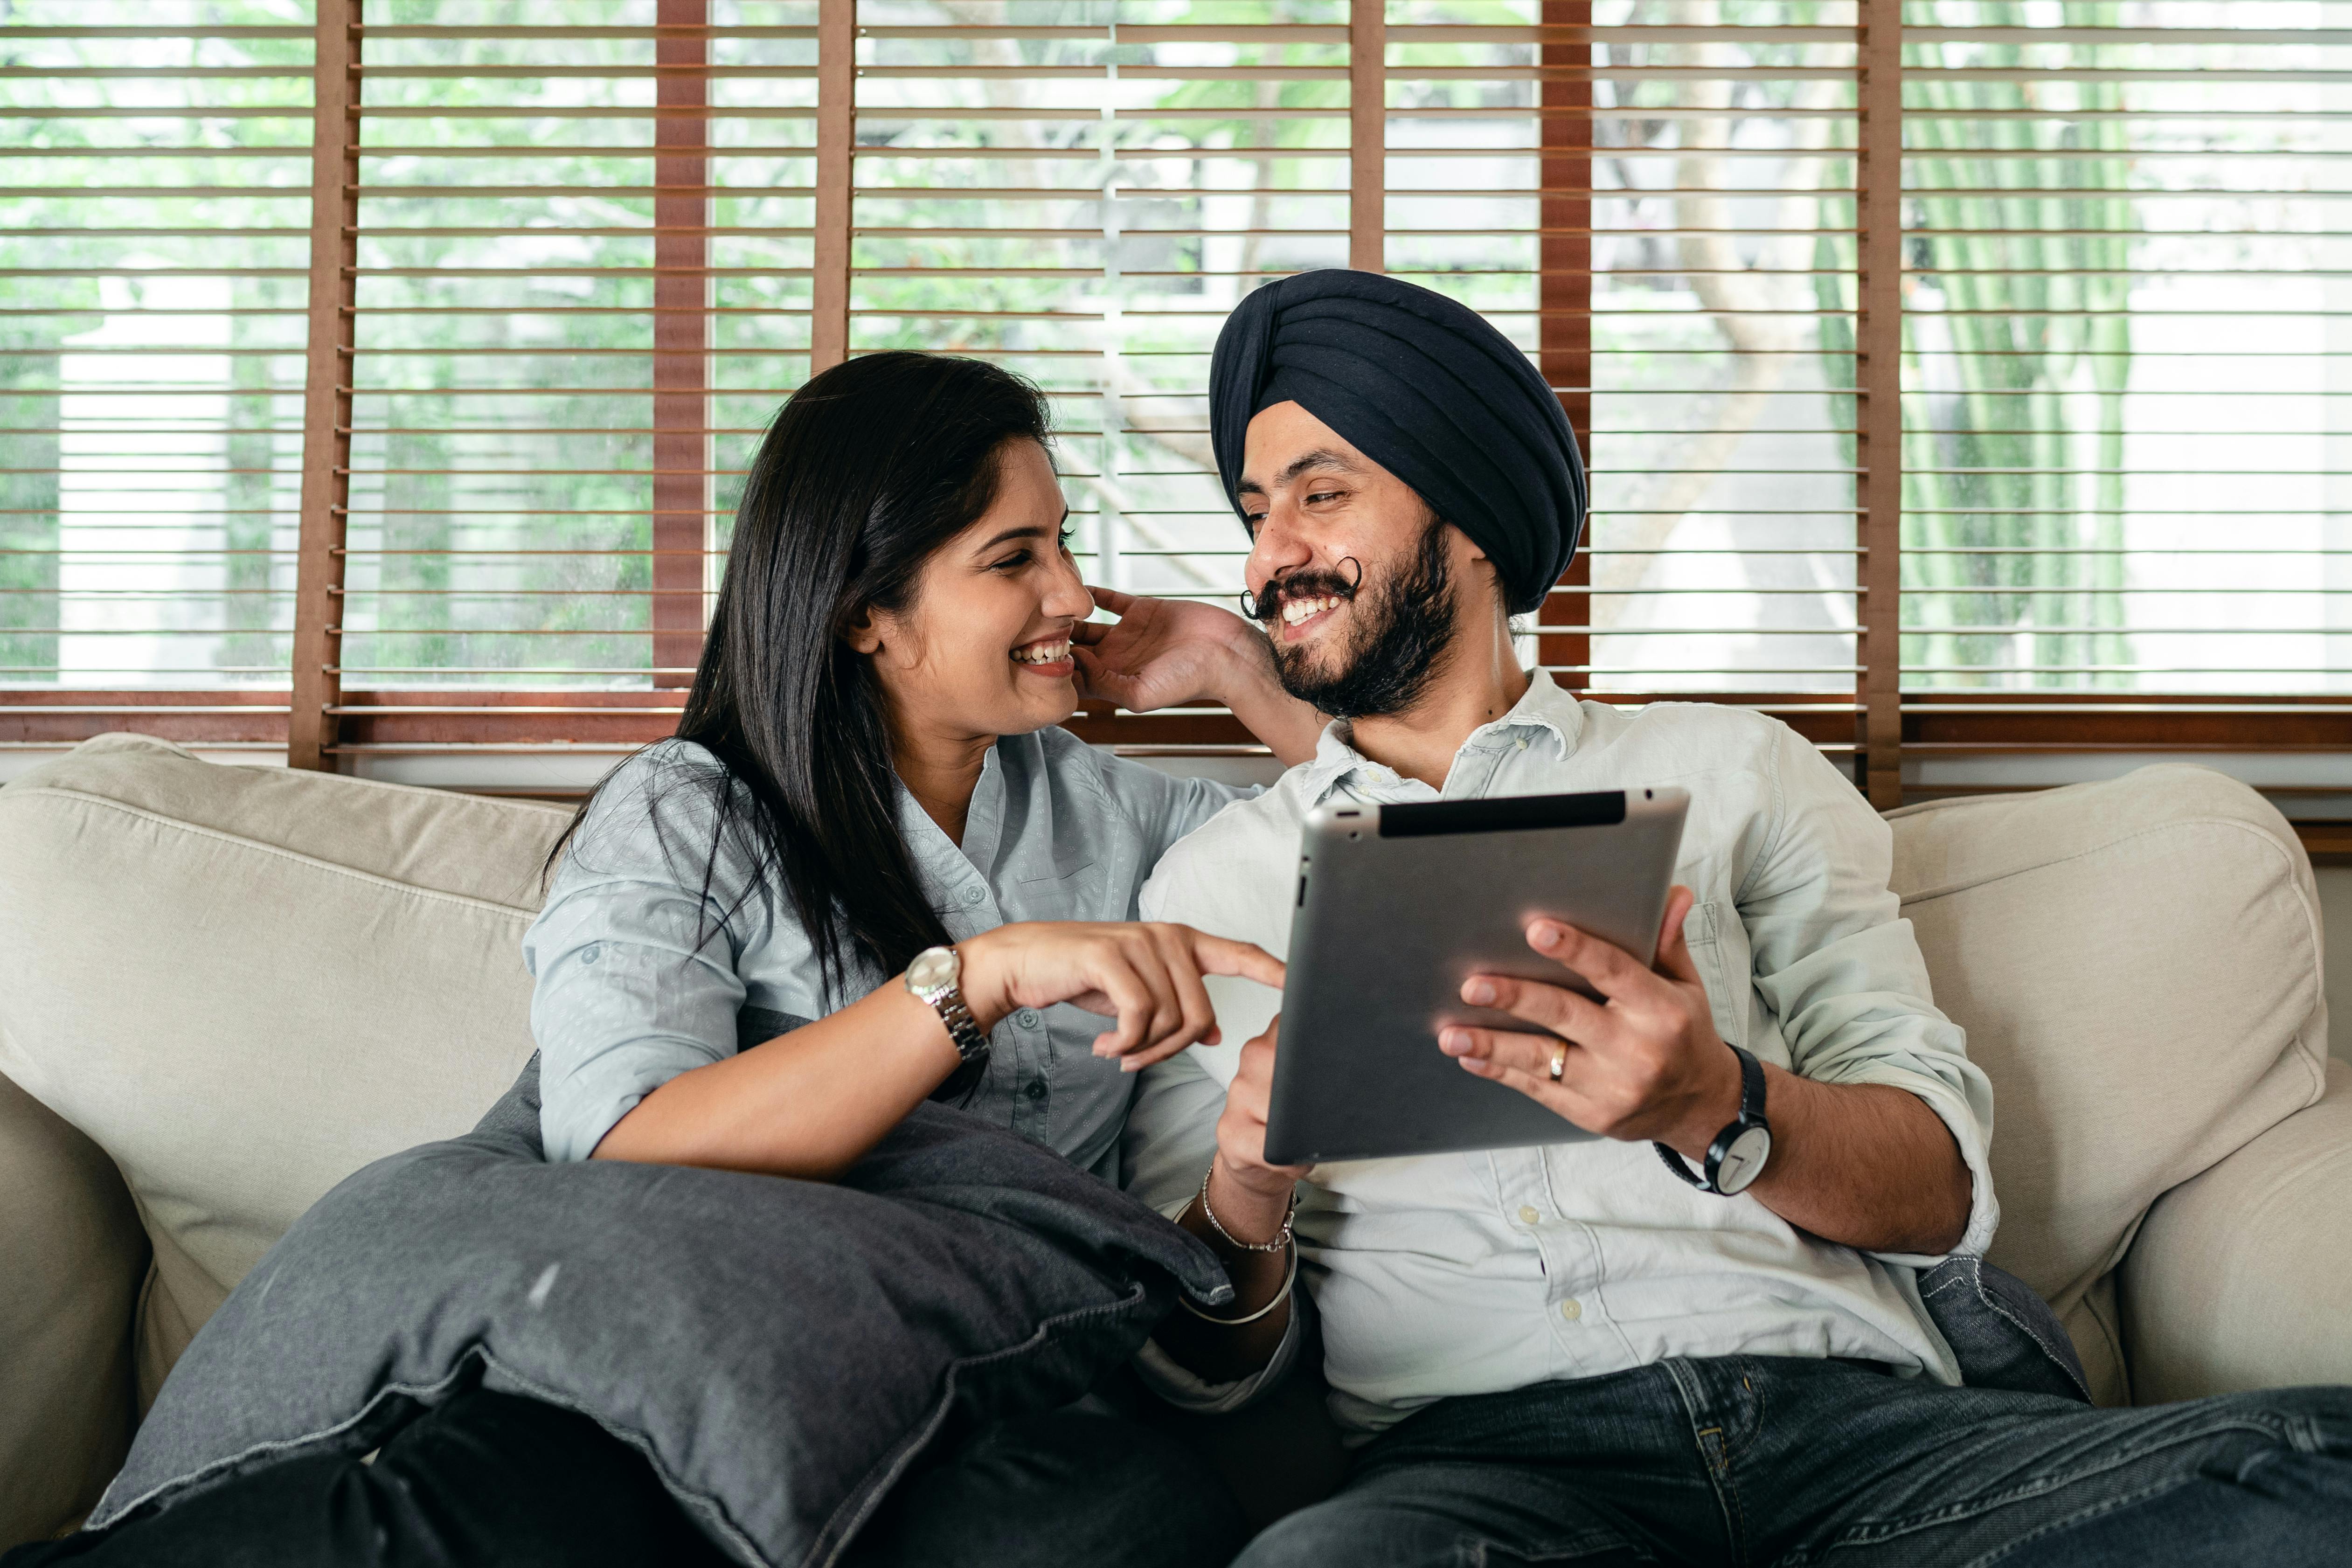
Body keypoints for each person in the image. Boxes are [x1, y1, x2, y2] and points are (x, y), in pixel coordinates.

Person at [5, 351, 1324, 1568]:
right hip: (662, 1378)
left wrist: (1244, 676)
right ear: (866, 612)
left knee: (1118, 1524)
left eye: (1065, 546)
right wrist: (969, 980)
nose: (1072, 596)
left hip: (954, 1395)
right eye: (1012, 558)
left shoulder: (1117, 816)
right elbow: (626, 1144)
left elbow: (1372, 851)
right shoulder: (690, 815)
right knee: (481, 1506)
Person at [1121, 268, 2352, 1566]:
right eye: (1254, 513)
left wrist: (1712, 1102)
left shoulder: (1733, 771)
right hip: (1486, 1482)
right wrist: (1246, 1187)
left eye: (1319, 495)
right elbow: (1197, 1367)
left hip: (1864, 1446)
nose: (1268, 559)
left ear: (1470, 519)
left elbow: (1936, 1190)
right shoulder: (1214, 887)